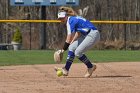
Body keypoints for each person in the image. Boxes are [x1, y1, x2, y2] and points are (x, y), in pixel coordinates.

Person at [55, 6, 100, 78]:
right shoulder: (74, 19)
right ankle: (66, 69)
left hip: (92, 34)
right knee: (72, 47)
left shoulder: (70, 21)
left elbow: (68, 37)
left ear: (66, 16)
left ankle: (90, 67)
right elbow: (78, 33)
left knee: (78, 52)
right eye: (60, 18)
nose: (61, 20)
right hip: (86, 35)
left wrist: (62, 50)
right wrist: (71, 42)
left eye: (62, 18)